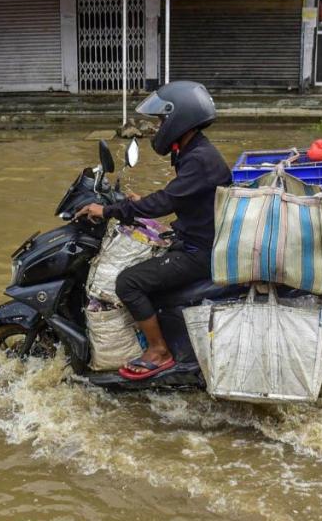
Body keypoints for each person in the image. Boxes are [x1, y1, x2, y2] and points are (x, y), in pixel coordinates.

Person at [75, 81, 231, 381]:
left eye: (162, 120)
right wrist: (138, 202)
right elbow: (179, 196)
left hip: (199, 252)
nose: (159, 127)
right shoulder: (194, 152)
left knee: (129, 282)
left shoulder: (198, 158)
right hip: (198, 240)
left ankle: (159, 350)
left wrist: (107, 210)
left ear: (180, 119)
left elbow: (168, 200)